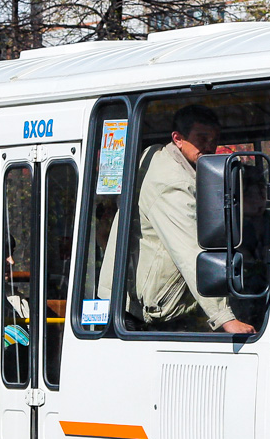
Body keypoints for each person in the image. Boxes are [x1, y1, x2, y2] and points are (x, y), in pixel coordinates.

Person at [99, 105, 254, 333]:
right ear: (178, 139)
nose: (209, 146)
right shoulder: (171, 183)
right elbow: (190, 251)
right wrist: (224, 317)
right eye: (201, 138)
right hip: (134, 313)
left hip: (133, 298)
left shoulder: (165, 161)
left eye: (214, 139)